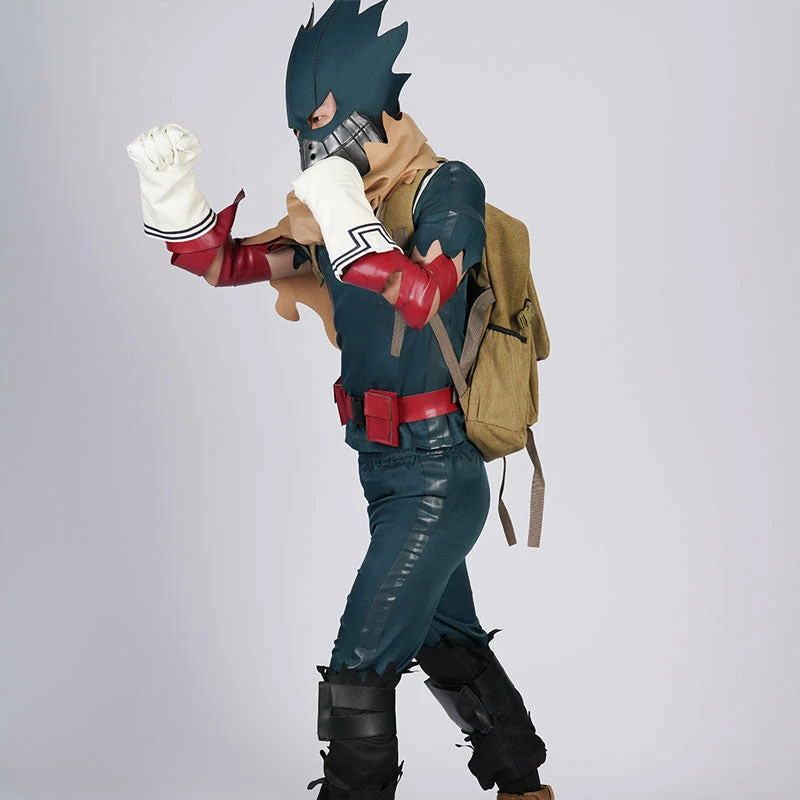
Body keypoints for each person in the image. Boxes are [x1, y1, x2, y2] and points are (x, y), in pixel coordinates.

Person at [126, 2, 553, 798]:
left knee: (360, 664)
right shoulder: (328, 215)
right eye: (301, 128)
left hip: (436, 472)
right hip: (383, 472)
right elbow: (226, 265)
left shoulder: (445, 187)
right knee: (447, 638)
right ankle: (526, 787)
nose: (312, 143)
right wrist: (173, 201)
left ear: (366, 104)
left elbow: (423, 294)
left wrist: (346, 216)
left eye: (321, 121)